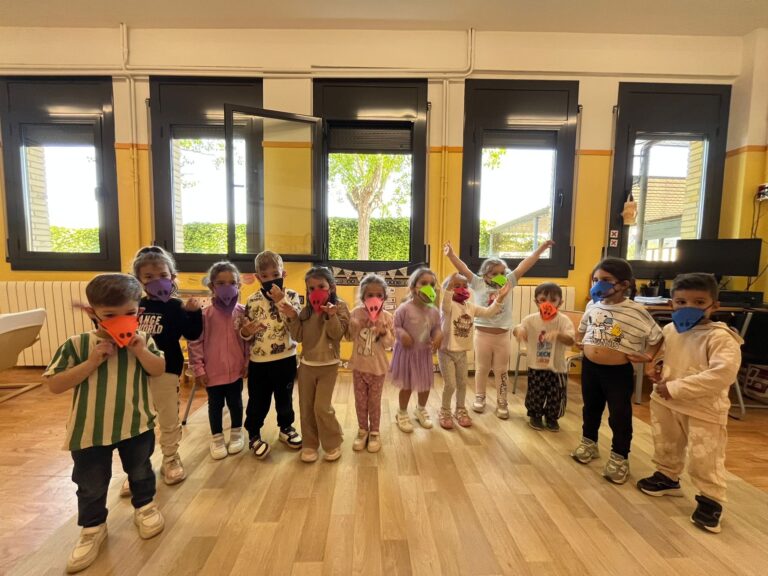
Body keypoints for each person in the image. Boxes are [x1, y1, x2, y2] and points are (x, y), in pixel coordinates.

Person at [44, 274, 166, 573]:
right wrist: (91, 362)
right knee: (90, 483)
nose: (120, 320)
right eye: (110, 315)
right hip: (90, 430)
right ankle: (92, 527)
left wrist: (140, 350)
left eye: (129, 313)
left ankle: (145, 506)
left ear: (139, 311)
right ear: (92, 312)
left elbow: (158, 369)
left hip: (136, 424)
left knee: (140, 470)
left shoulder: (144, 339)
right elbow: (55, 385)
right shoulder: (76, 344)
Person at [637, 273, 742, 533]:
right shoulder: (670, 330)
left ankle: (710, 499)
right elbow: (666, 355)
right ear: (671, 303)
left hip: (703, 409)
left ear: (714, 306)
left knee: (704, 456)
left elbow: (721, 374)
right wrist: (657, 368)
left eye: (699, 302)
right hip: (666, 402)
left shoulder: (720, 338)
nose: (689, 308)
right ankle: (667, 476)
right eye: (681, 302)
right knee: (666, 442)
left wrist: (676, 388)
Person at [571, 257, 663, 484]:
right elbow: (582, 328)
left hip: (617, 373)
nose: (597, 284)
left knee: (619, 415)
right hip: (590, 368)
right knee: (591, 408)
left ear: (623, 284)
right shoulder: (593, 305)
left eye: (605, 280)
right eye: (595, 280)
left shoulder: (636, 310)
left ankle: (620, 457)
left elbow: (657, 336)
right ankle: (589, 443)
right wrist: (581, 341)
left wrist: (648, 356)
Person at [444, 240, 554, 419]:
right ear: (485, 274)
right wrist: (451, 255)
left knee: (501, 370)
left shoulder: (509, 282)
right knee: (482, 368)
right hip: (482, 335)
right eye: (494, 273)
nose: (500, 276)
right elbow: (463, 268)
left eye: (503, 272)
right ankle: (480, 397)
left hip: (502, 336)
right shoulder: (478, 283)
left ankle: (502, 401)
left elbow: (525, 264)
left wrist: (541, 249)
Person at [129, 245, 202, 487]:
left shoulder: (175, 306)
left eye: (162, 275)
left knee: (169, 417)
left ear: (172, 277)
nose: (157, 281)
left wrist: (194, 313)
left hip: (167, 370)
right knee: (138, 420)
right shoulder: (134, 306)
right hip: (136, 371)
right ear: (138, 280)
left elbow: (192, 334)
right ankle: (137, 467)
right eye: (149, 277)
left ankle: (170, 458)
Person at [239, 250, 302, 459]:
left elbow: (295, 321)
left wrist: (281, 301)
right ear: (258, 278)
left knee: (285, 398)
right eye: (265, 276)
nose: (270, 279)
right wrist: (246, 332)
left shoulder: (292, 296)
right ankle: (254, 433)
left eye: (275, 274)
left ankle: (286, 427)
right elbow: (246, 332)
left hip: (286, 358)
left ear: (283, 274)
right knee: (258, 400)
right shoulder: (252, 300)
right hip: (259, 362)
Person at [283, 266, 350, 463]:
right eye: (311, 288)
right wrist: (292, 317)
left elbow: (337, 334)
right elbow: (298, 336)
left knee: (322, 407)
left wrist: (331, 315)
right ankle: (310, 444)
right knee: (306, 407)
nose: (316, 291)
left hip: (329, 365)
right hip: (307, 366)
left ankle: (332, 441)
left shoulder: (340, 307)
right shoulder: (306, 312)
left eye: (321, 286)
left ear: (332, 287)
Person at [188, 261, 250, 460]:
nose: (227, 287)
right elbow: (195, 343)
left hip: (236, 371)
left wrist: (247, 362)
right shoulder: (204, 315)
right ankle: (217, 438)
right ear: (211, 286)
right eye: (221, 283)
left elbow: (247, 340)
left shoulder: (242, 312)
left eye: (232, 282)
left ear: (239, 285)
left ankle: (236, 433)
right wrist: (199, 369)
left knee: (236, 403)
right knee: (215, 405)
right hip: (212, 372)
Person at [438, 272, 509, 429]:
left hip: (462, 353)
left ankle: (460, 409)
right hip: (446, 353)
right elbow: (445, 304)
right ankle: (445, 411)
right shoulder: (448, 307)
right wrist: (448, 288)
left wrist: (500, 298)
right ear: (449, 289)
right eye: (456, 286)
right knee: (450, 385)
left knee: (463, 383)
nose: (462, 288)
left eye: (464, 286)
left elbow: (488, 312)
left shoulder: (470, 307)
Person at [513, 282, 574, 432]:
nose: (548, 303)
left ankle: (552, 418)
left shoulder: (563, 320)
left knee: (556, 394)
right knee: (535, 392)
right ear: (536, 302)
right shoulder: (531, 319)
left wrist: (559, 335)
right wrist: (519, 331)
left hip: (557, 367)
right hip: (536, 364)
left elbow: (571, 340)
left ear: (560, 302)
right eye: (543, 300)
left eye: (553, 300)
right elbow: (519, 328)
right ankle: (535, 416)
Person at [390, 267, 442, 432]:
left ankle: (420, 409)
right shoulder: (404, 309)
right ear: (413, 287)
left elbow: (437, 328)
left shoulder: (434, 311)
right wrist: (402, 334)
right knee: (407, 386)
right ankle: (402, 412)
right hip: (407, 354)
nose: (428, 287)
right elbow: (395, 326)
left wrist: (438, 336)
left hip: (424, 354)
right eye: (423, 283)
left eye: (432, 284)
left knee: (425, 385)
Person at [347, 274, 395, 452]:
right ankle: (362, 430)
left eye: (379, 295)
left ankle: (374, 431)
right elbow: (348, 337)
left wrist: (383, 332)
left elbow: (390, 344)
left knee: (374, 402)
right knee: (360, 401)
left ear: (384, 297)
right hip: (359, 367)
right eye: (370, 295)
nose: (375, 298)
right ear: (362, 297)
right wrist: (354, 325)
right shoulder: (355, 313)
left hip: (378, 369)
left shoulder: (387, 317)